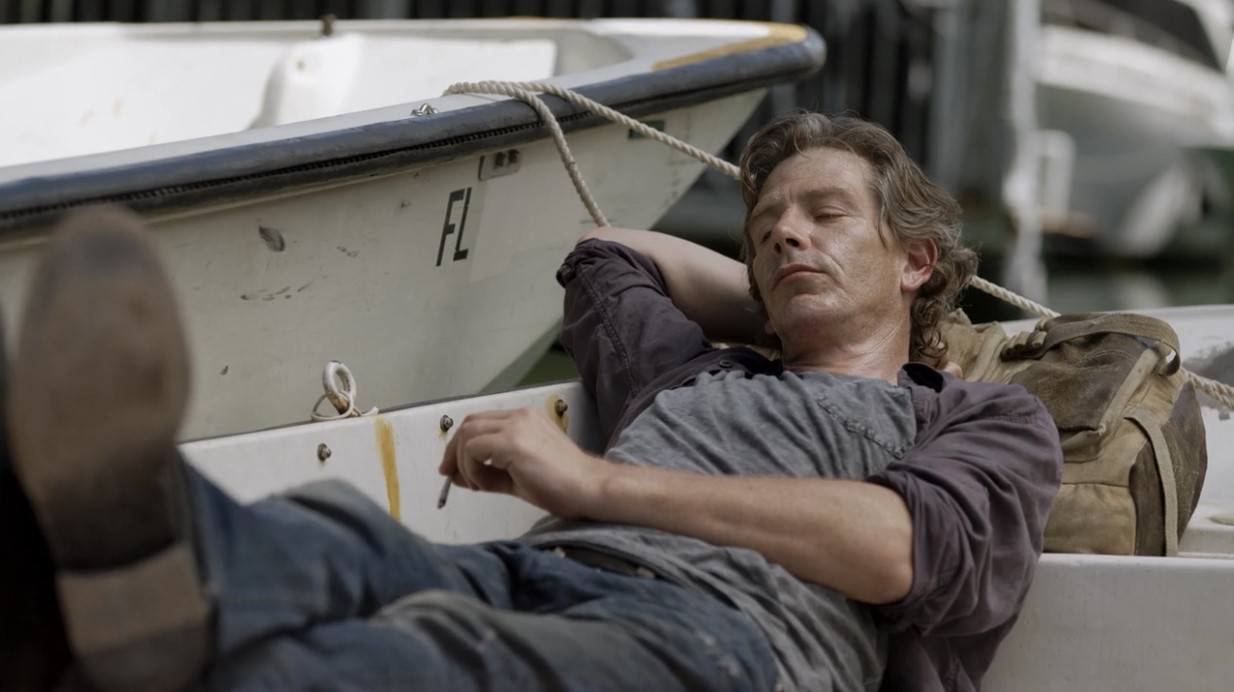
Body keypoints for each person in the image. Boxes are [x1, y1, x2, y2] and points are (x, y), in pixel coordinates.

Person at [0, 113, 1062, 692]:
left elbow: (896, 549)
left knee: (426, 662)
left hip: (725, 638)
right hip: (534, 568)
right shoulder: (692, 374)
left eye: (825, 215)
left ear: (918, 259)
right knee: (333, 529)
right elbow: (606, 257)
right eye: (764, 229)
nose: (785, 231)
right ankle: (121, 556)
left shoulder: (974, 418)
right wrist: (783, 296)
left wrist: (595, 482)